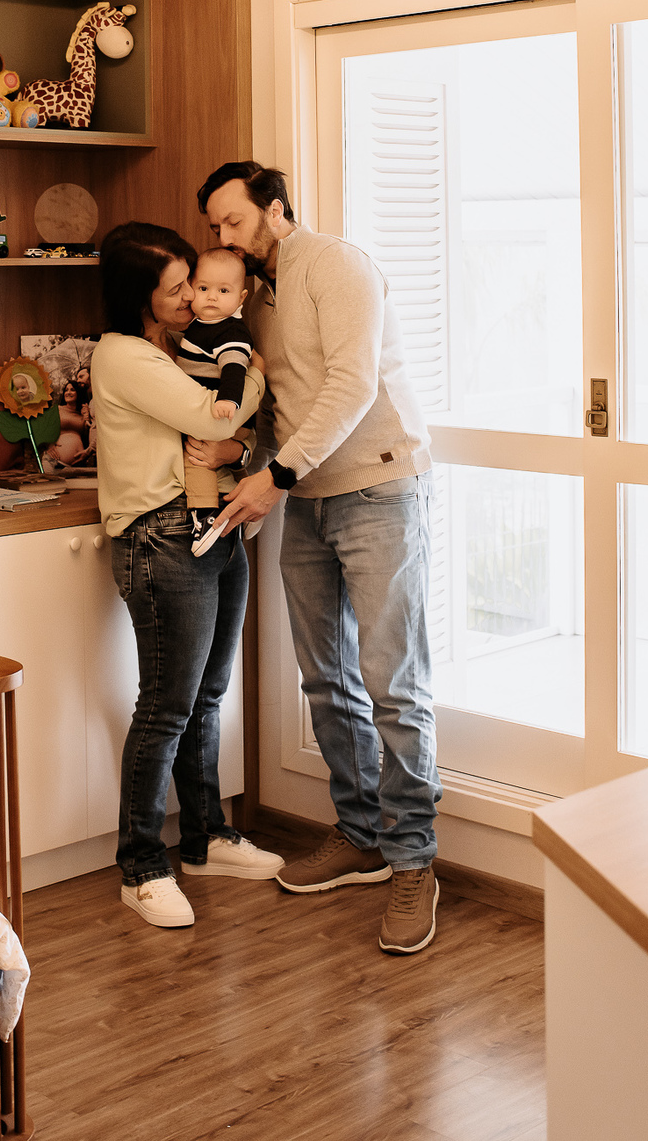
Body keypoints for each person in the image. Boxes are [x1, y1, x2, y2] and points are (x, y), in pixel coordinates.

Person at [201, 161, 441, 956]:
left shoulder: (337, 266)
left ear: (274, 209)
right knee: (326, 679)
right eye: (215, 227)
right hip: (305, 499)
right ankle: (361, 835)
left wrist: (273, 477)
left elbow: (350, 385)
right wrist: (249, 461)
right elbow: (281, 405)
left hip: (378, 490)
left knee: (393, 683)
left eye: (233, 221)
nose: (224, 237)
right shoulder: (255, 299)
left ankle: (413, 861)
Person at [91, 221, 284, 928]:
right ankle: (142, 867)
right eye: (176, 288)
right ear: (138, 295)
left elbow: (226, 436)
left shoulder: (178, 347)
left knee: (207, 697)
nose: (192, 298)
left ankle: (205, 839)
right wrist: (257, 369)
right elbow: (212, 414)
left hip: (215, 526)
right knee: (166, 707)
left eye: (193, 284)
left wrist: (235, 441)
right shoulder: (124, 355)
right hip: (162, 535)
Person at [176, 249, 255, 546]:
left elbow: (234, 366)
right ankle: (242, 500)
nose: (211, 297)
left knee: (196, 459)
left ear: (241, 297)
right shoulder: (201, 326)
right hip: (215, 414)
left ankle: (205, 515)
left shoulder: (231, 331)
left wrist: (228, 400)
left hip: (223, 414)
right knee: (220, 464)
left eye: (223, 291)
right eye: (203, 288)